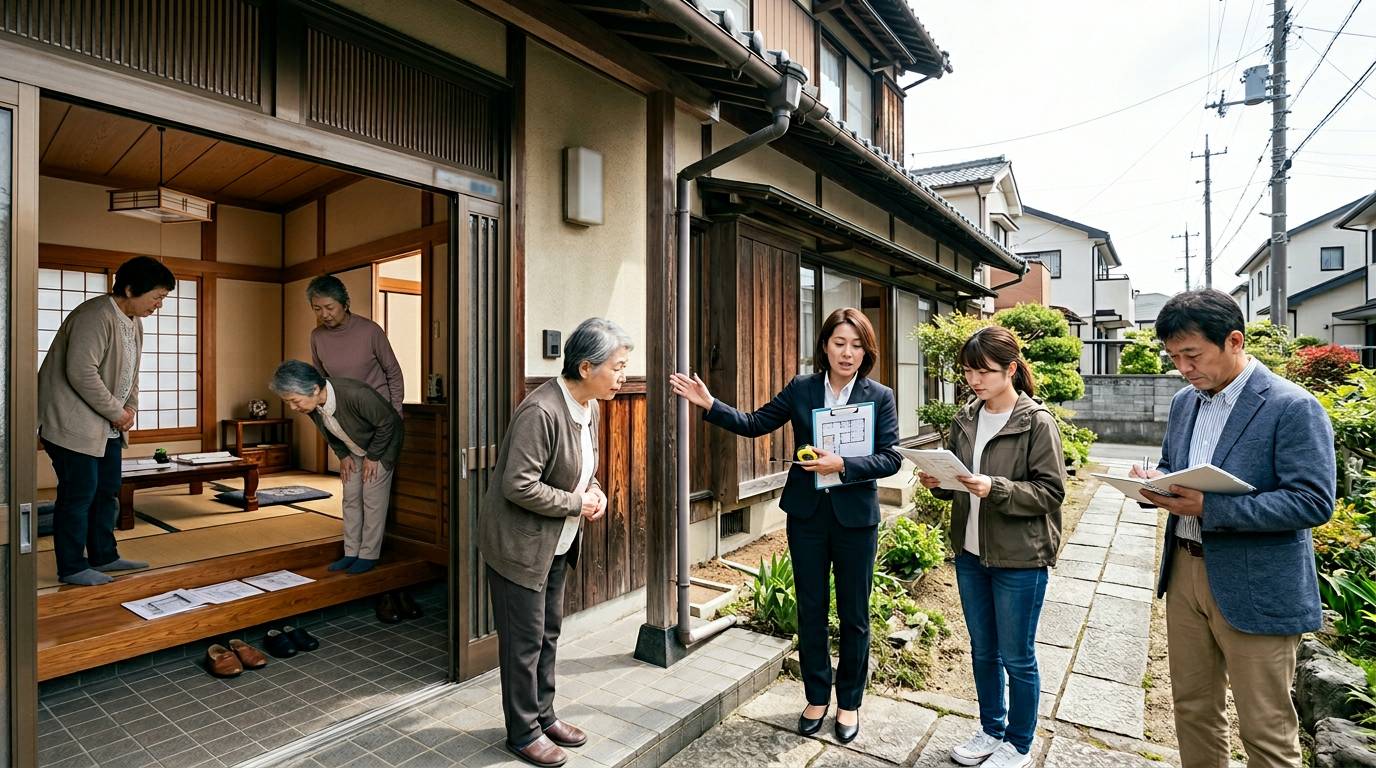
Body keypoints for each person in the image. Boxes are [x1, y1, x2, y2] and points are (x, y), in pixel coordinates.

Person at [671, 307, 901, 745]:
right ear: (825, 346)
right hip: (808, 517)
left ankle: (849, 701)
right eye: (839, 343)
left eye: (856, 345)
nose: (847, 353)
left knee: (854, 615)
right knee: (810, 608)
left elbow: (890, 457)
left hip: (856, 520)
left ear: (866, 350)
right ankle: (816, 696)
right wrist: (710, 404)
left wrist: (845, 464)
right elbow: (757, 423)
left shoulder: (880, 396)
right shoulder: (802, 387)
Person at [1132, 289, 1334, 768]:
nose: (1183, 367)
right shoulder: (1187, 402)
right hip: (1184, 571)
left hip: (1257, 583)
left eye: (1193, 355)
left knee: (1265, 727)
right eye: (1175, 357)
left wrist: (1210, 507)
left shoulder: (1291, 406)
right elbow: (1170, 465)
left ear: (1235, 341)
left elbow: (1312, 501)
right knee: (1193, 707)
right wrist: (1154, 485)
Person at [479, 318, 627, 768]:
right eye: (617, 367)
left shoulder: (590, 407)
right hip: (520, 547)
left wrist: (594, 490)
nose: (622, 375)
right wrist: (576, 502)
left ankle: (543, 715)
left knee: (547, 634)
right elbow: (517, 485)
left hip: (557, 542)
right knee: (523, 644)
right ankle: (522, 732)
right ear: (586, 367)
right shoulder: (541, 410)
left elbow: (581, 468)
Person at [918, 326, 1065, 768]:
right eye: (968, 371)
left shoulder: (1036, 422)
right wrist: (938, 483)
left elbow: (1050, 493)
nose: (975, 380)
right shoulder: (966, 418)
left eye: (984, 371)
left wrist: (994, 488)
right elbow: (958, 480)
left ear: (1011, 370)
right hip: (970, 553)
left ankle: (1019, 744)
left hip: (1019, 559)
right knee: (982, 650)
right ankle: (990, 729)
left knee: (1017, 656)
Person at [38, 256, 175, 586]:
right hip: (73, 423)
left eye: (163, 298)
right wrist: (117, 412)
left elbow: (131, 375)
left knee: (107, 490)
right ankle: (71, 567)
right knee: (78, 494)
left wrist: (130, 411)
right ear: (129, 289)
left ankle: (104, 555)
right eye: (156, 296)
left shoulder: (134, 322)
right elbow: (80, 373)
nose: (159, 305)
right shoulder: (96, 314)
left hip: (106, 425)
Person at [270, 360, 403, 575]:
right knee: (350, 497)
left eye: (294, 401)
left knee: (372, 499)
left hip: (381, 448)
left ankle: (368, 555)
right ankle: (351, 552)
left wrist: (374, 456)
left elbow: (389, 423)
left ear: (314, 388)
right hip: (354, 450)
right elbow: (328, 432)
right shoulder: (312, 405)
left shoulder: (356, 394)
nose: (294, 408)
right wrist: (342, 455)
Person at [307, 274, 405, 413]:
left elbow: (393, 372)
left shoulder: (371, 330)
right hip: (345, 413)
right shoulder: (316, 336)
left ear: (346, 304)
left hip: (379, 410)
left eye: (329, 307)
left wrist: (395, 411)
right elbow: (320, 378)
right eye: (317, 309)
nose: (324, 314)